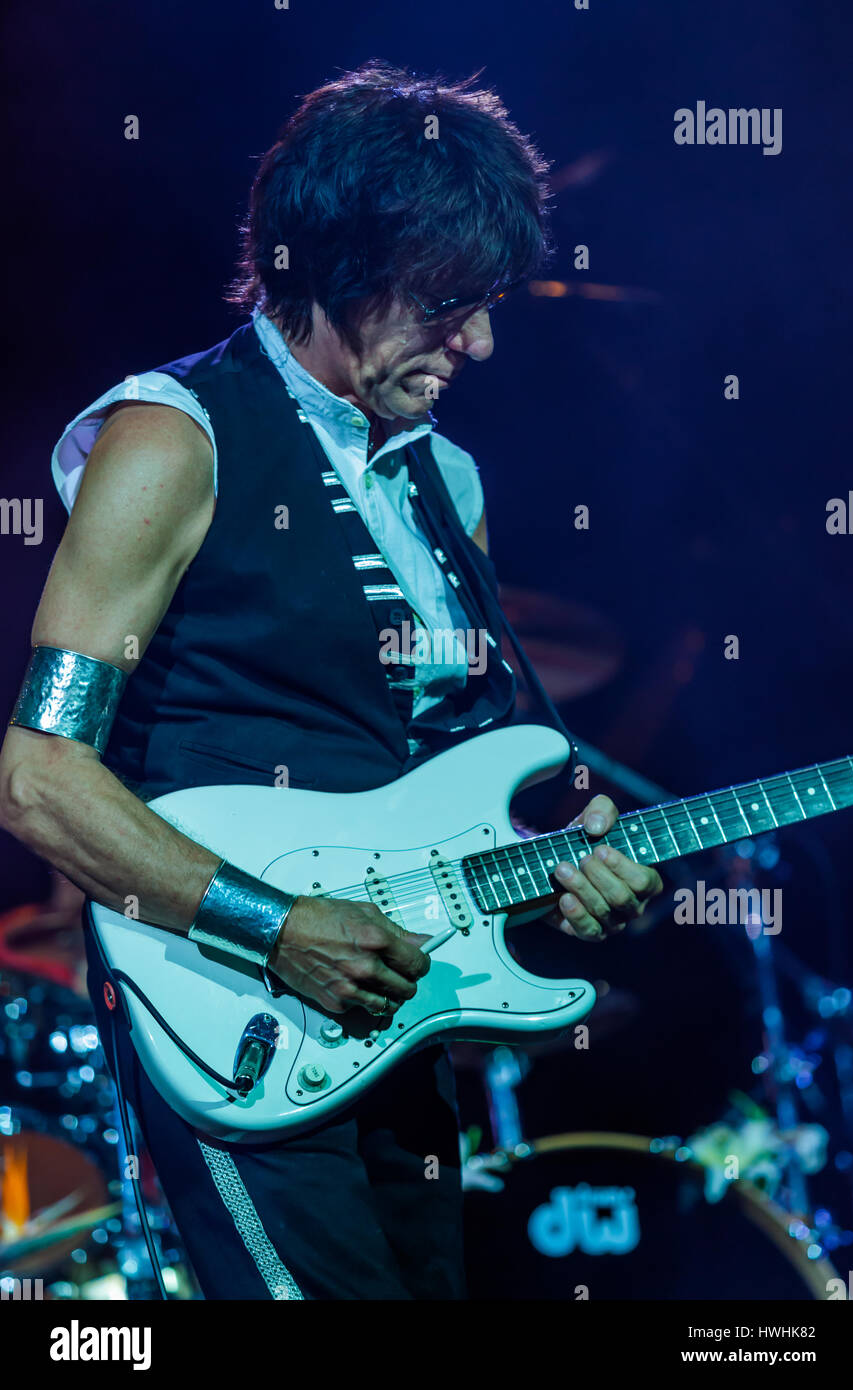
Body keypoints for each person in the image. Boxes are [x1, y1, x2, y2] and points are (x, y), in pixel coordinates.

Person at [0, 61, 661, 1299]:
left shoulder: (445, 482)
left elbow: (460, 779)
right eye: (447, 301)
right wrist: (278, 926)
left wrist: (574, 867)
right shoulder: (171, 433)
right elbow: (36, 775)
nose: (477, 340)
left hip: (401, 1013)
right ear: (335, 266)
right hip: (237, 1009)